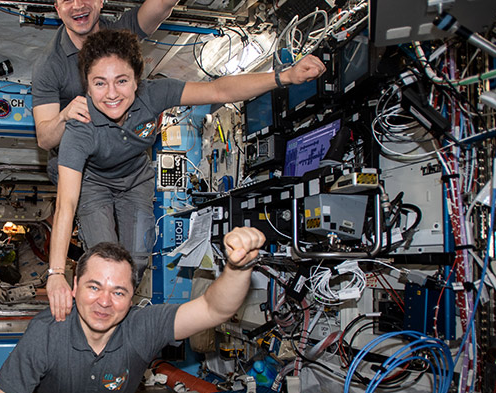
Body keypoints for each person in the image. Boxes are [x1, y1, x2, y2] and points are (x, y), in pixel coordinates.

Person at [45, 29, 325, 320]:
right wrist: (55, 274)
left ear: (137, 80)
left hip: (134, 181)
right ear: (87, 86)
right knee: (104, 261)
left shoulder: (153, 95)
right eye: (100, 83)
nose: (112, 93)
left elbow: (219, 91)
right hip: (93, 183)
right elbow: (66, 203)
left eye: (122, 81)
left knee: (136, 262)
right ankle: (96, 327)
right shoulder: (80, 126)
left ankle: (120, 323)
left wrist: (285, 77)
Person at [0, 226, 267, 393]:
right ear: (75, 286)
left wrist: (237, 268)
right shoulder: (46, 332)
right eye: (94, 287)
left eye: (118, 292)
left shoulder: (143, 326)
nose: (104, 302)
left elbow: (213, 309)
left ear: (132, 297)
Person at [33, 0, 220, 157]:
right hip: (81, 161)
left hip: (124, 154)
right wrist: (64, 116)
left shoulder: (120, 34)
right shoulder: (50, 65)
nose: (78, 5)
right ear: (57, 9)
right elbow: (45, 139)